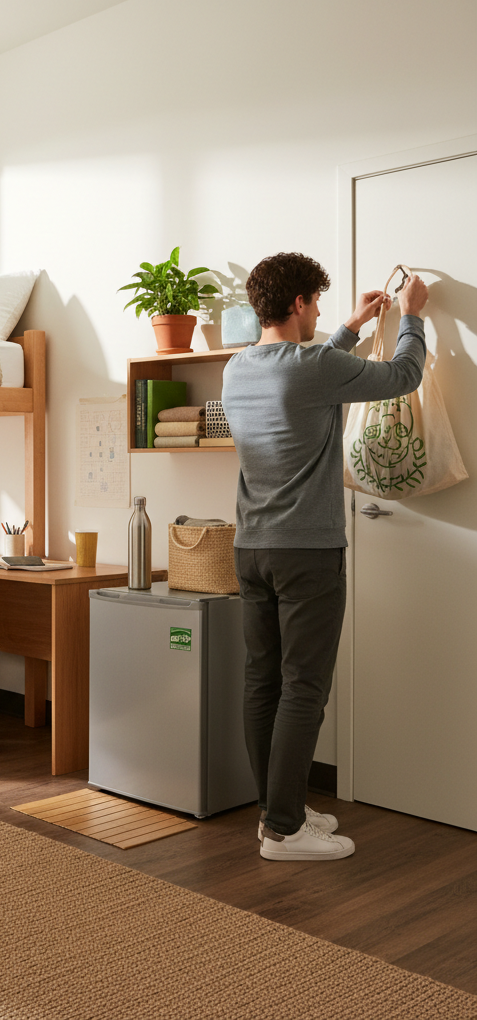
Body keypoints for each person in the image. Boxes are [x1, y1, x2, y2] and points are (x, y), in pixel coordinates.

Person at [221, 253, 427, 861]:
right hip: (306, 552)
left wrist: (351, 329)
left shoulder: (237, 368)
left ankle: (275, 811)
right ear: (298, 304)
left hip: (251, 548)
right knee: (303, 687)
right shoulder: (313, 365)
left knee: (263, 682)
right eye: (315, 302)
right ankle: (284, 830)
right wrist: (411, 317)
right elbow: (402, 377)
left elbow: (311, 372)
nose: (318, 313)